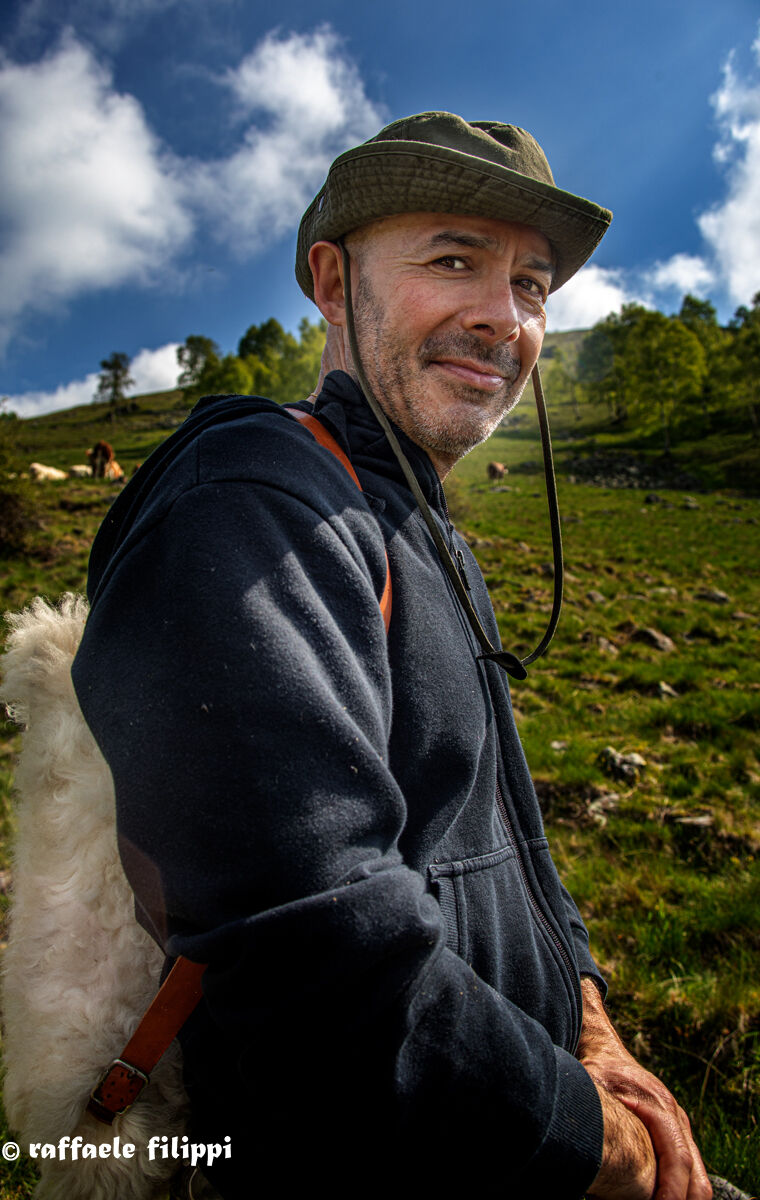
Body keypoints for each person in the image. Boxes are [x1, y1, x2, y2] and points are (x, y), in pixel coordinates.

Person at [72, 113, 711, 1198]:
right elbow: (308, 950)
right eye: (454, 259)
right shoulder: (255, 497)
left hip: (516, 1126)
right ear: (331, 280)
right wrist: (592, 1141)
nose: (501, 317)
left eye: (531, 284)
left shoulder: (425, 532)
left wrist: (592, 1031)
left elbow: (511, 830)